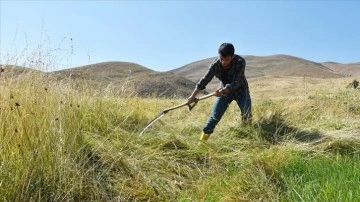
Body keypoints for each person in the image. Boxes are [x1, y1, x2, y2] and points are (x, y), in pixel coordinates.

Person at [187, 43, 252, 141]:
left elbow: (237, 81)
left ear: (232, 57)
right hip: (224, 92)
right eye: (221, 58)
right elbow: (204, 80)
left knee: (246, 114)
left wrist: (224, 90)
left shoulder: (240, 62)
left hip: (241, 91)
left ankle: (247, 139)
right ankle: (202, 142)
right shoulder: (215, 65)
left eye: (227, 60)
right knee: (215, 117)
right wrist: (193, 96)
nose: (223, 62)